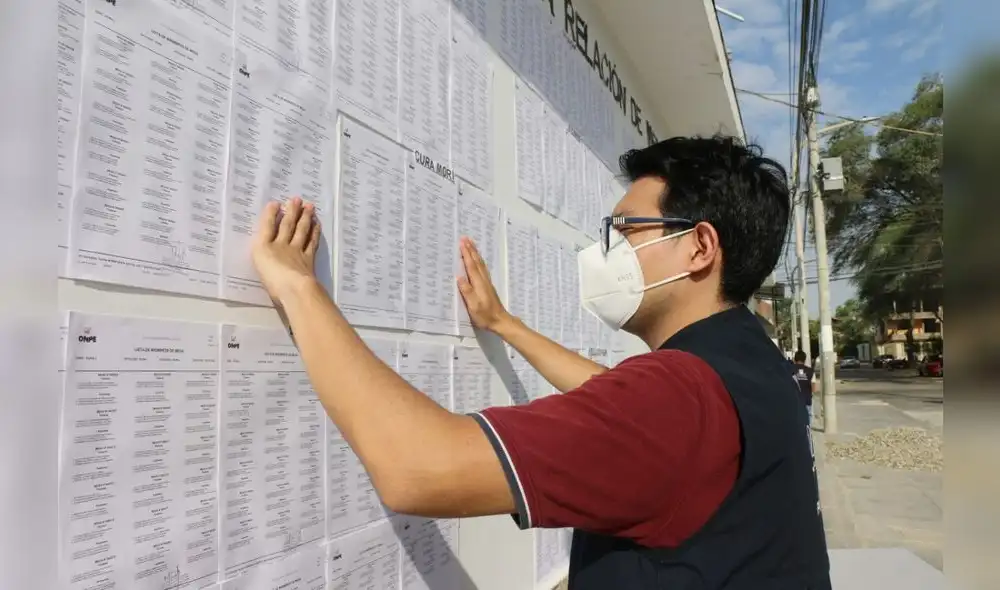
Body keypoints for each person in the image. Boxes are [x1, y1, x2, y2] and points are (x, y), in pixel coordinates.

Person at [250, 135, 831, 589]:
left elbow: (415, 468)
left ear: (699, 247)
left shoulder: (678, 394)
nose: (605, 250)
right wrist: (505, 325)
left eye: (624, 229)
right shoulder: (747, 360)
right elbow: (617, 401)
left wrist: (301, 289)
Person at [792, 350, 819, 425]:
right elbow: (814, 388)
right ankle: (807, 435)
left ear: (795, 359)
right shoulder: (811, 371)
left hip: (793, 401)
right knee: (808, 421)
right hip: (807, 400)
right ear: (805, 359)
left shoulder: (789, 370)